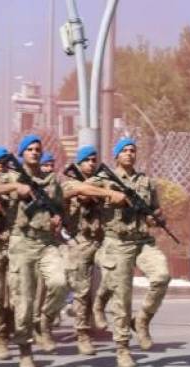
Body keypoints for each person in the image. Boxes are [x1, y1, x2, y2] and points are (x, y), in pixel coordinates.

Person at [0, 135, 122, 367]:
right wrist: (15, 188)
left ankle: (44, 320)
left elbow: (70, 193)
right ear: (22, 153)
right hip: (22, 241)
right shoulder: (11, 176)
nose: (35, 153)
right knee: (24, 302)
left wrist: (63, 214)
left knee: (59, 283)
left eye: (38, 149)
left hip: (46, 242)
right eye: (30, 149)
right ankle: (25, 351)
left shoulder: (51, 180)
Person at [90, 137, 172, 358]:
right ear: (116, 155)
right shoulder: (104, 179)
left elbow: (155, 210)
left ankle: (142, 320)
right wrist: (109, 193)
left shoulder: (146, 182)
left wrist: (156, 218)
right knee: (122, 297)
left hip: (142, 241)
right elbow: (70, 187)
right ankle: (122, 347)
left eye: (132, 150)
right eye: (124, 150)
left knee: (162, 276)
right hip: (118, 242)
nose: (129, 154)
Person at [62, 145, 106, 356]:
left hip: (100, 242)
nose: (91, 163)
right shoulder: (70, 182)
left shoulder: (100, 181)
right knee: (81, 291)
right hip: (79, 242)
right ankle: (82, 334)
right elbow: (80, 192)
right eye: (87, 160)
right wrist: (104, 190)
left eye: (93, 160)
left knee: (108, 281)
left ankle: (96, 315)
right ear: (79, 163)